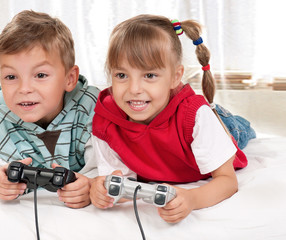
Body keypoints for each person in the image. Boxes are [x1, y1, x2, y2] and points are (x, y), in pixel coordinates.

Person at [89, 14, 254, 222]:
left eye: (149, 75)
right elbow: (119, 183)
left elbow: (227, 181)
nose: (134, 89)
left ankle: (232, 120)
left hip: (220, 125)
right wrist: (101, 190)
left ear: (176, 77)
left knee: (237, 129)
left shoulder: (195, 116)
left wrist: (192, 199)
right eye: (121, 75)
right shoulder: (106, 122)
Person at [0, 10, 100, 208]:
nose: (24, 89)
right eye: (11, 77)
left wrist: (91, 185)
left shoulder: (89, 107)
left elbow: (102, 166)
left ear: (69, 79)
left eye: (41, 75)